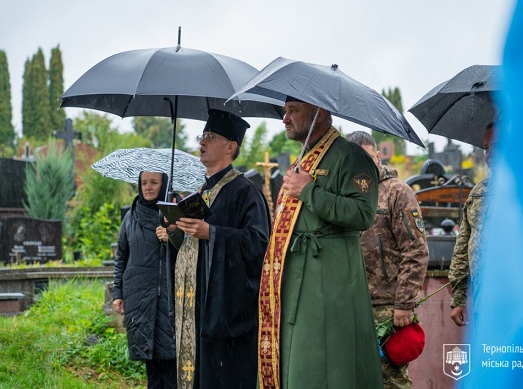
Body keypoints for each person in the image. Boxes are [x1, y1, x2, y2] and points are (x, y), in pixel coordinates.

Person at [258, 96, 384, 389]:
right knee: (298, 363)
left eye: (293, 111)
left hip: (330, 279)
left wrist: (309, 191)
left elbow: (363, 213)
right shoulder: (306, 156)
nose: (285, 119)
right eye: (285, 111)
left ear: (320, 112)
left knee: (324, 365)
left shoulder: (351, 156)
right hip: (296, 279)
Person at [166, 108, 271, 389]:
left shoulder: (246, 192)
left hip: (225, 314)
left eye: (210, 137)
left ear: (230, 146)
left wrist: (212, 233)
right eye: (202, 136)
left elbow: (259, 244)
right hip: (195, 306)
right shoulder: (200, 193)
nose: (201, 142)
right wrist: (175, 231)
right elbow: (192, 247)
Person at [346, 131, 429, 389]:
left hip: (386, 308)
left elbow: (415, 250)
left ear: (379, 156)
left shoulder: (397, 192)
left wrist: (403, 303)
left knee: (391, 382)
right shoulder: (343, 195)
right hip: (349, 305)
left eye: (368, 157)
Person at [113, 171, 178, 389]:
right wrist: (118, 293)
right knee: (150, 363)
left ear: (164, 184)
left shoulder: (175, 213)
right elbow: (122, 255)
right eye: (143, 183)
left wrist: (172, 235)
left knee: (171, 362)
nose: (148, 187)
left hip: (169, 297)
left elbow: (192, 252)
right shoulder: (131, 217)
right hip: (140, 296)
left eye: (154, 182)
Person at [448, 122, 495, 327]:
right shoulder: (479, 192)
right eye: (486, 148)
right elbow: (462, 247)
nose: (490, 154)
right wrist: (458, 298)